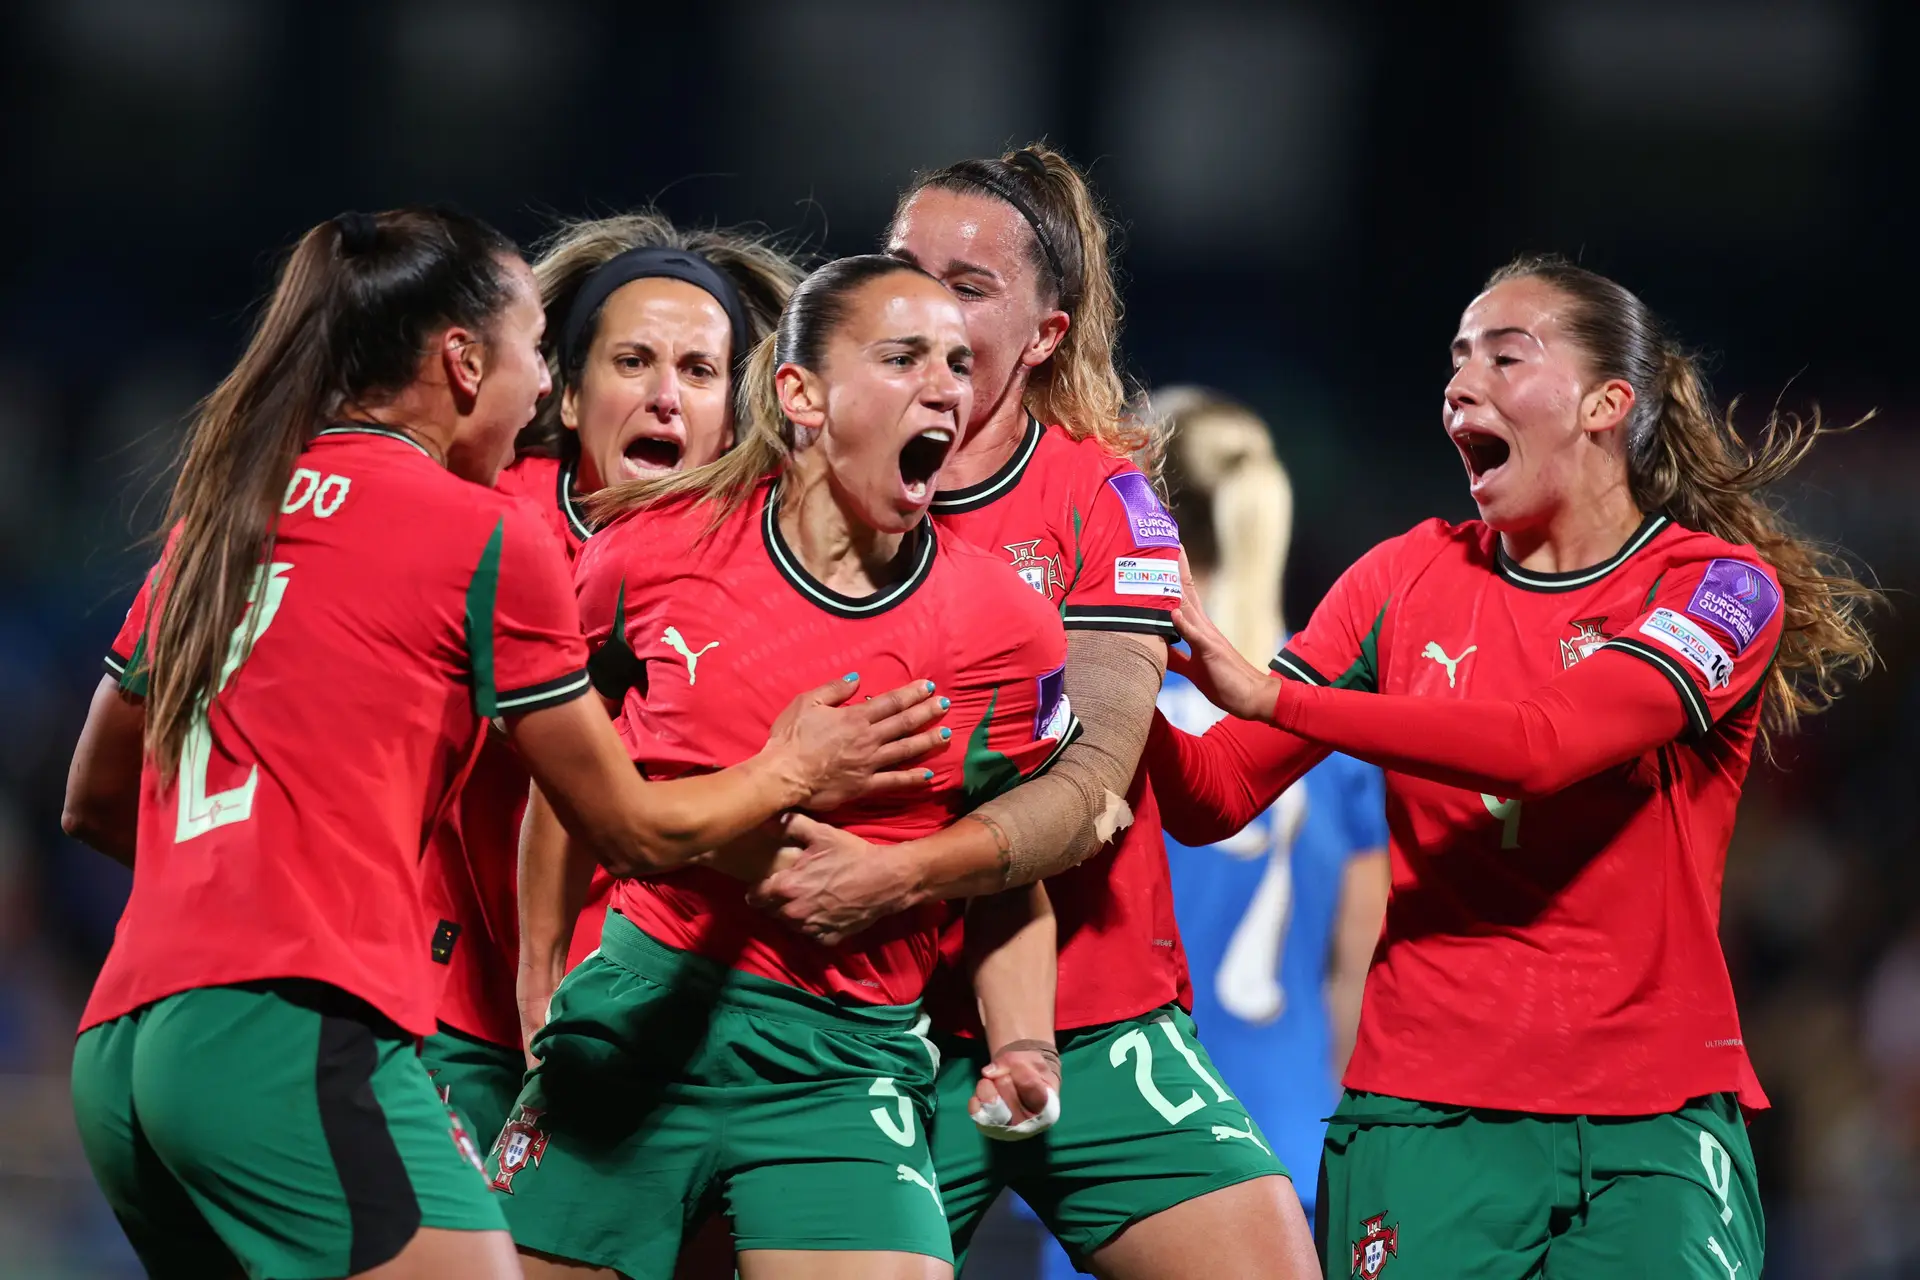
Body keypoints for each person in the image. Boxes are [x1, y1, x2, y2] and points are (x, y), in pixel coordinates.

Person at [60, 209, 945, 1280]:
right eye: (540, 350)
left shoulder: (228, 513)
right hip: (301, 1021)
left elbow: (97, 799)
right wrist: (791, 767)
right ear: (463, 358)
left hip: (126, 1044)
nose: (538, 389)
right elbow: (630, 826)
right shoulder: (484, 531)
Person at [1151, 255, 1880, 1279]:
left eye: (1504, 353)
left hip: (1653, 1132)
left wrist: (1281, 695)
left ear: (1605, 402)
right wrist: (1099, 677)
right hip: (1425, 1123)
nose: (1460, 382)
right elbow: (1216, 790)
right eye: (1454, 359)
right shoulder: (1400, 579)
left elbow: (1547, 745)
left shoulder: (1719, 588)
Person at [752, 146, 1319, 1279]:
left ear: (1046, 336)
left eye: (969, 285)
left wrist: (900, 871)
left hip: (1099, 1016)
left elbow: (1094, 778)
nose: (925, 302)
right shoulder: (786, 481)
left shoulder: (1107, 502)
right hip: (866, 1029)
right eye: (903, 268)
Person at [494, 255, 1071, 1280]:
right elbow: (568, 780)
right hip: (640, 1015)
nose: (946, 384)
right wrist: (542, 978)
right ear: (801, 394)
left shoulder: (1006, 628)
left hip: (844, 1061)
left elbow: (1008, 866)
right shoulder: (646, 554)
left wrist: (1025, 1040)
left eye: (955, 362)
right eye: (902, 357)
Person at [419, 211, 803, 1158]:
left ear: (738, 412)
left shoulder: (784, 561)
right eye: (633, 362)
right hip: (456, 1012)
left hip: (675, 1032)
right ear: (570, 394)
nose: (666, 397)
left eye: (700, 371)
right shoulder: (475, 522)